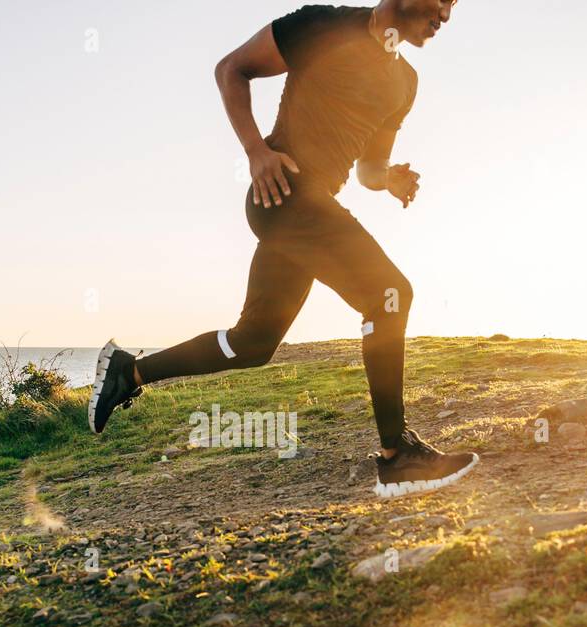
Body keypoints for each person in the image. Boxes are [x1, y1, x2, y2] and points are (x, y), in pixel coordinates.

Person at [89, 1, 477, 499]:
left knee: (251, 343)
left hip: (311, 207)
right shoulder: (324, 26)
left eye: (454, 5)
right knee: (388, 293)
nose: (446, 12)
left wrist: (392, 180)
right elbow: (233, 68)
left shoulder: (405, 84)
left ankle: (131, 371)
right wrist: (256, 152)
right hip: (284, 193)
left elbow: (368, 170)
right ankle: (396, 454)